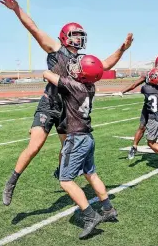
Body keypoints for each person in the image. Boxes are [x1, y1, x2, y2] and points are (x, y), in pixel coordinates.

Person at [0, 0, 133, 206]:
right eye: (75, 34)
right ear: (65, 36)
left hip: (68, 110)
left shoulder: (83, 60)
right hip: (49, 104)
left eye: (81, 34)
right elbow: (34, 29)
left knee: (66, 150)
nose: (79, 38)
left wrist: (122, 49)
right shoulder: (55, 49)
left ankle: (63, 173)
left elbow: (105, 64)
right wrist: (17, 10)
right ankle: (12, 181)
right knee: (35, 146)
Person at [43, 55, 118, 239]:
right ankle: (108, 209)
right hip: (87, 137)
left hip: (76, 139)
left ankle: (90, 216)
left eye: (79, 67)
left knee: (65, 180)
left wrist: (49, 70)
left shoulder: (74, 86)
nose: (75, 68)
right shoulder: (90, 86)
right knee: (91, 174)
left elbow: (48, 74)